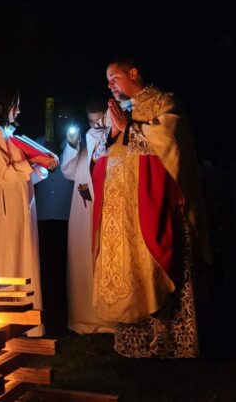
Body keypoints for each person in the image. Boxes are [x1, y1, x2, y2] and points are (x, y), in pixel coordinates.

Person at [90, 58, 210, 358]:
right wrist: (114, 134)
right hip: (121, 212)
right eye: (107, 80)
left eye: (114, 77)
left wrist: (129, 129)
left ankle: (170, 343)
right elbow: (101, 152)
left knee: (156, 269)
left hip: (154, 205)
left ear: (134, 73)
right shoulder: (116, 112)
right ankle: (135, 343)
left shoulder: (165, 102)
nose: (110, 84)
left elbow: (171, 143)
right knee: (127, 272)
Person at [0, 88, 58, 337]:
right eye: (15, 105)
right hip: (4, 213)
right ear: (1, 105)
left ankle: (26, 325)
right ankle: (4, 325)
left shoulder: (7, 133)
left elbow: (23, 175)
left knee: (23, 261)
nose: (18, 110)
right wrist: (34, 163)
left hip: (20, 209)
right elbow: (2, 175)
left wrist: (44, 166)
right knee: (8, 263)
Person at [60, 98, 116, 334]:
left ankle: (109, 317)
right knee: (82, 261)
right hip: (82, 211)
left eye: (99, 119)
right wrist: (72, 145)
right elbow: (68, 171)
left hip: (106, 208)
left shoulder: (113, 136)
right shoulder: (84, 140)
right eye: (91, 121)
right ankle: (83, 317)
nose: (95, 125)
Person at [34, 98, 74, 337]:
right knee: (46, 267)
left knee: (63, 267)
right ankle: (47, 311)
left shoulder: (73, 144)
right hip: (42, 214)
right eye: (58, 118)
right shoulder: (38, 143)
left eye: (66, 119)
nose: (61, 122)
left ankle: (65, 311)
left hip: (65, 214)